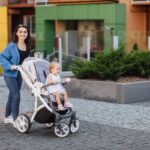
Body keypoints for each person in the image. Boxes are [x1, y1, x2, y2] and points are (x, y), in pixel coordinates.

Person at [0, 24, 31, 126]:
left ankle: (7, 117)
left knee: (11, 96)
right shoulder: (11, 46)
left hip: (20, 74)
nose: (23, 34)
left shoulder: (27, 46)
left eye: (25, 32)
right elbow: (2, 57)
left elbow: (26, 60)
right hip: (10, 74)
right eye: (20, 32)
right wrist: (10, 66)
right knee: (16, 95)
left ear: (27, 34)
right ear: (17, 33)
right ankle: (15, 118)